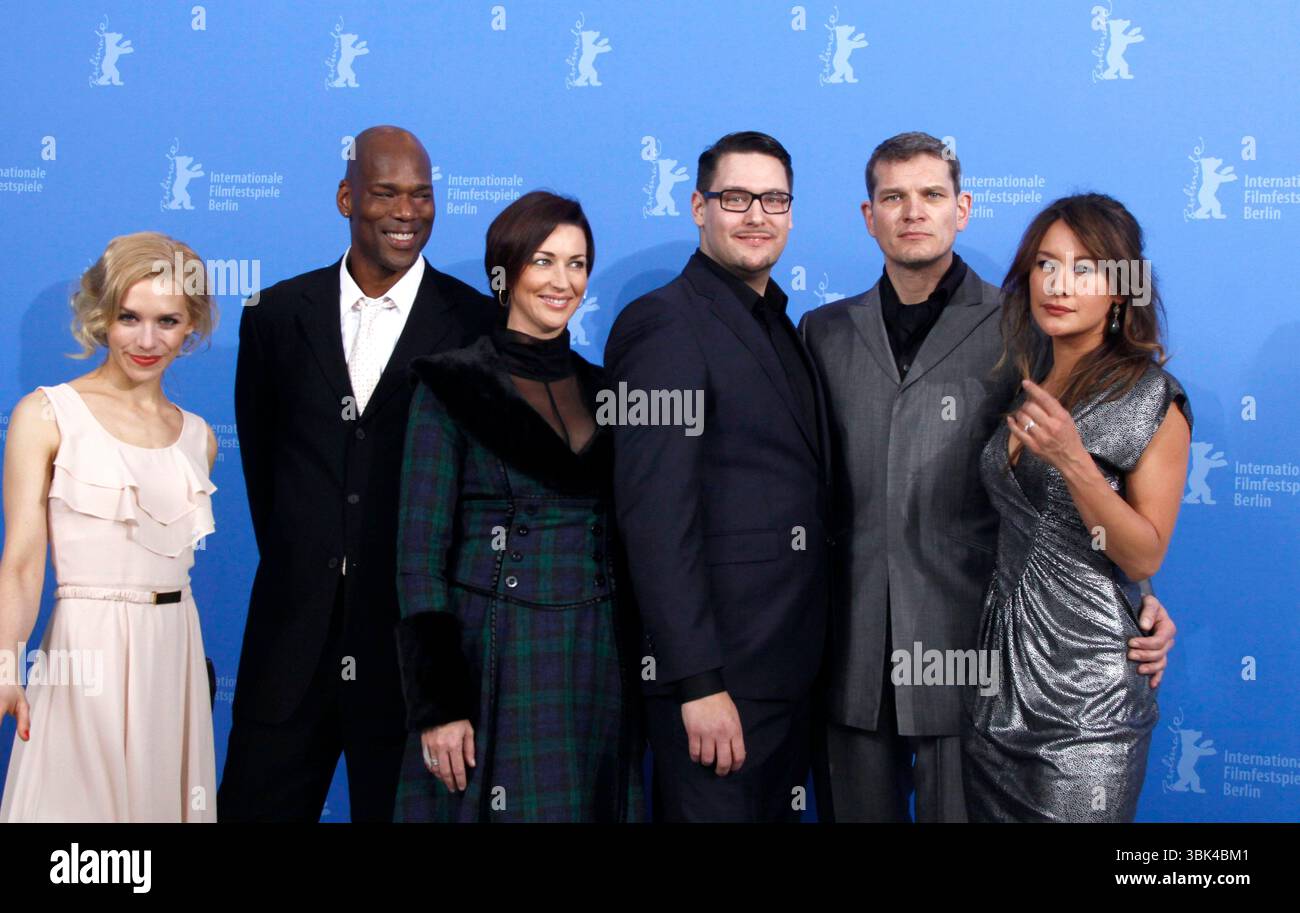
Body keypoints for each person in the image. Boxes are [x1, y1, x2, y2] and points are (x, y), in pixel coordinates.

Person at [800, 132, 1179, 822]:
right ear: (869, 214)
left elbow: (1083, 469)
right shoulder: (820, 331)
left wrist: (1139, 595)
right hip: (848, 652)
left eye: (932, 195)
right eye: (894, 197)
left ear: (963, 208)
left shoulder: (1024, 329)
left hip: (976, 658)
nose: (913, 212)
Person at [219, 126, 495, 821]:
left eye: (422, 195)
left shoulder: (477, 324)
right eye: (386, 192)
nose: (407, 210)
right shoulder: (277, 314)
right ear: (347, 196)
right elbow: (265, 469)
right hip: (291, 643)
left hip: (411, 654)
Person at [391, 191, 643, 822]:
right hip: (492, 657)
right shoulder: (450, 385)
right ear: (505, 271)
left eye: (577, 263)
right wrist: (439, 704)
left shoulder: (606, 392)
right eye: (544, 261)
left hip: (597, 656)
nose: (563, 281)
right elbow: (418, 561)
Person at [605, 132, 831, 822]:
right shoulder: (666, 325)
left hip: (790, 678)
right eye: (736, 197)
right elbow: (654, 519)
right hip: (718, 685)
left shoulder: (783, 327)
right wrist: (697, 682)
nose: (756, 214)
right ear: (698, 206)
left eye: (774, 199)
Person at [963, 193, 1191, 822]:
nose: (1058, 284)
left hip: (1088, 704)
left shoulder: (1152, 398)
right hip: (996, 694)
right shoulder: (1027, 382)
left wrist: (1073, 460)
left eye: (1085, 267)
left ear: (1122, 289)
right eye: (1045, 264)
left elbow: (1144, 550)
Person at [0, 231, 219, 821]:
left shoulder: (200, 437)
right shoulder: (46, 414)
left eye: (167, 321)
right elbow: (21, 562)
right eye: (129, 317)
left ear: (191, 325)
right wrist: (3, 667)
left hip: (174, 654)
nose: (147, 341)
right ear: (102, 316)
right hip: (83, 650)